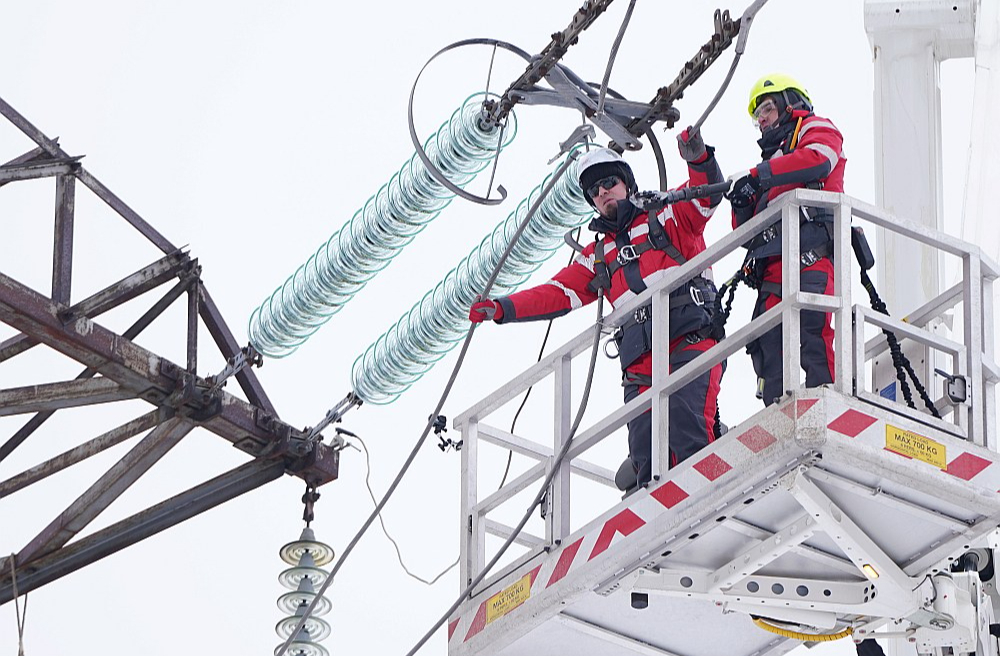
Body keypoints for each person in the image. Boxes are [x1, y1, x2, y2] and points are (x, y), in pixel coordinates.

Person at [469, 132, 725, 491]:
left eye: (609, 182)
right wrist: (501, 309)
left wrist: (698, 156)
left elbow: (706, 194)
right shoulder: (597, 255)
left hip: (690, 341)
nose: (603, 192)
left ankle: (708, 499)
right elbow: (556, 294)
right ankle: (657, 520)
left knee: (686, 427)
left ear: (627, 182)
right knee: (646, 452)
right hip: (641, 366)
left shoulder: (668, 212)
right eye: (595, 191)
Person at [729, 73, 846, 406]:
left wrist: (759, 176)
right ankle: (776, 413)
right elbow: (745, 233)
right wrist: (741, 200)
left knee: (812, 327)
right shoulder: (770, 164)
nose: (762, 119)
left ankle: (826, 401)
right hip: (772, 269)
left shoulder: (814, 128)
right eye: (757, 117)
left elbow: (819, 160)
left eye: (766, 108)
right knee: (767, 341)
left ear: (789, 102)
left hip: (811, 253)